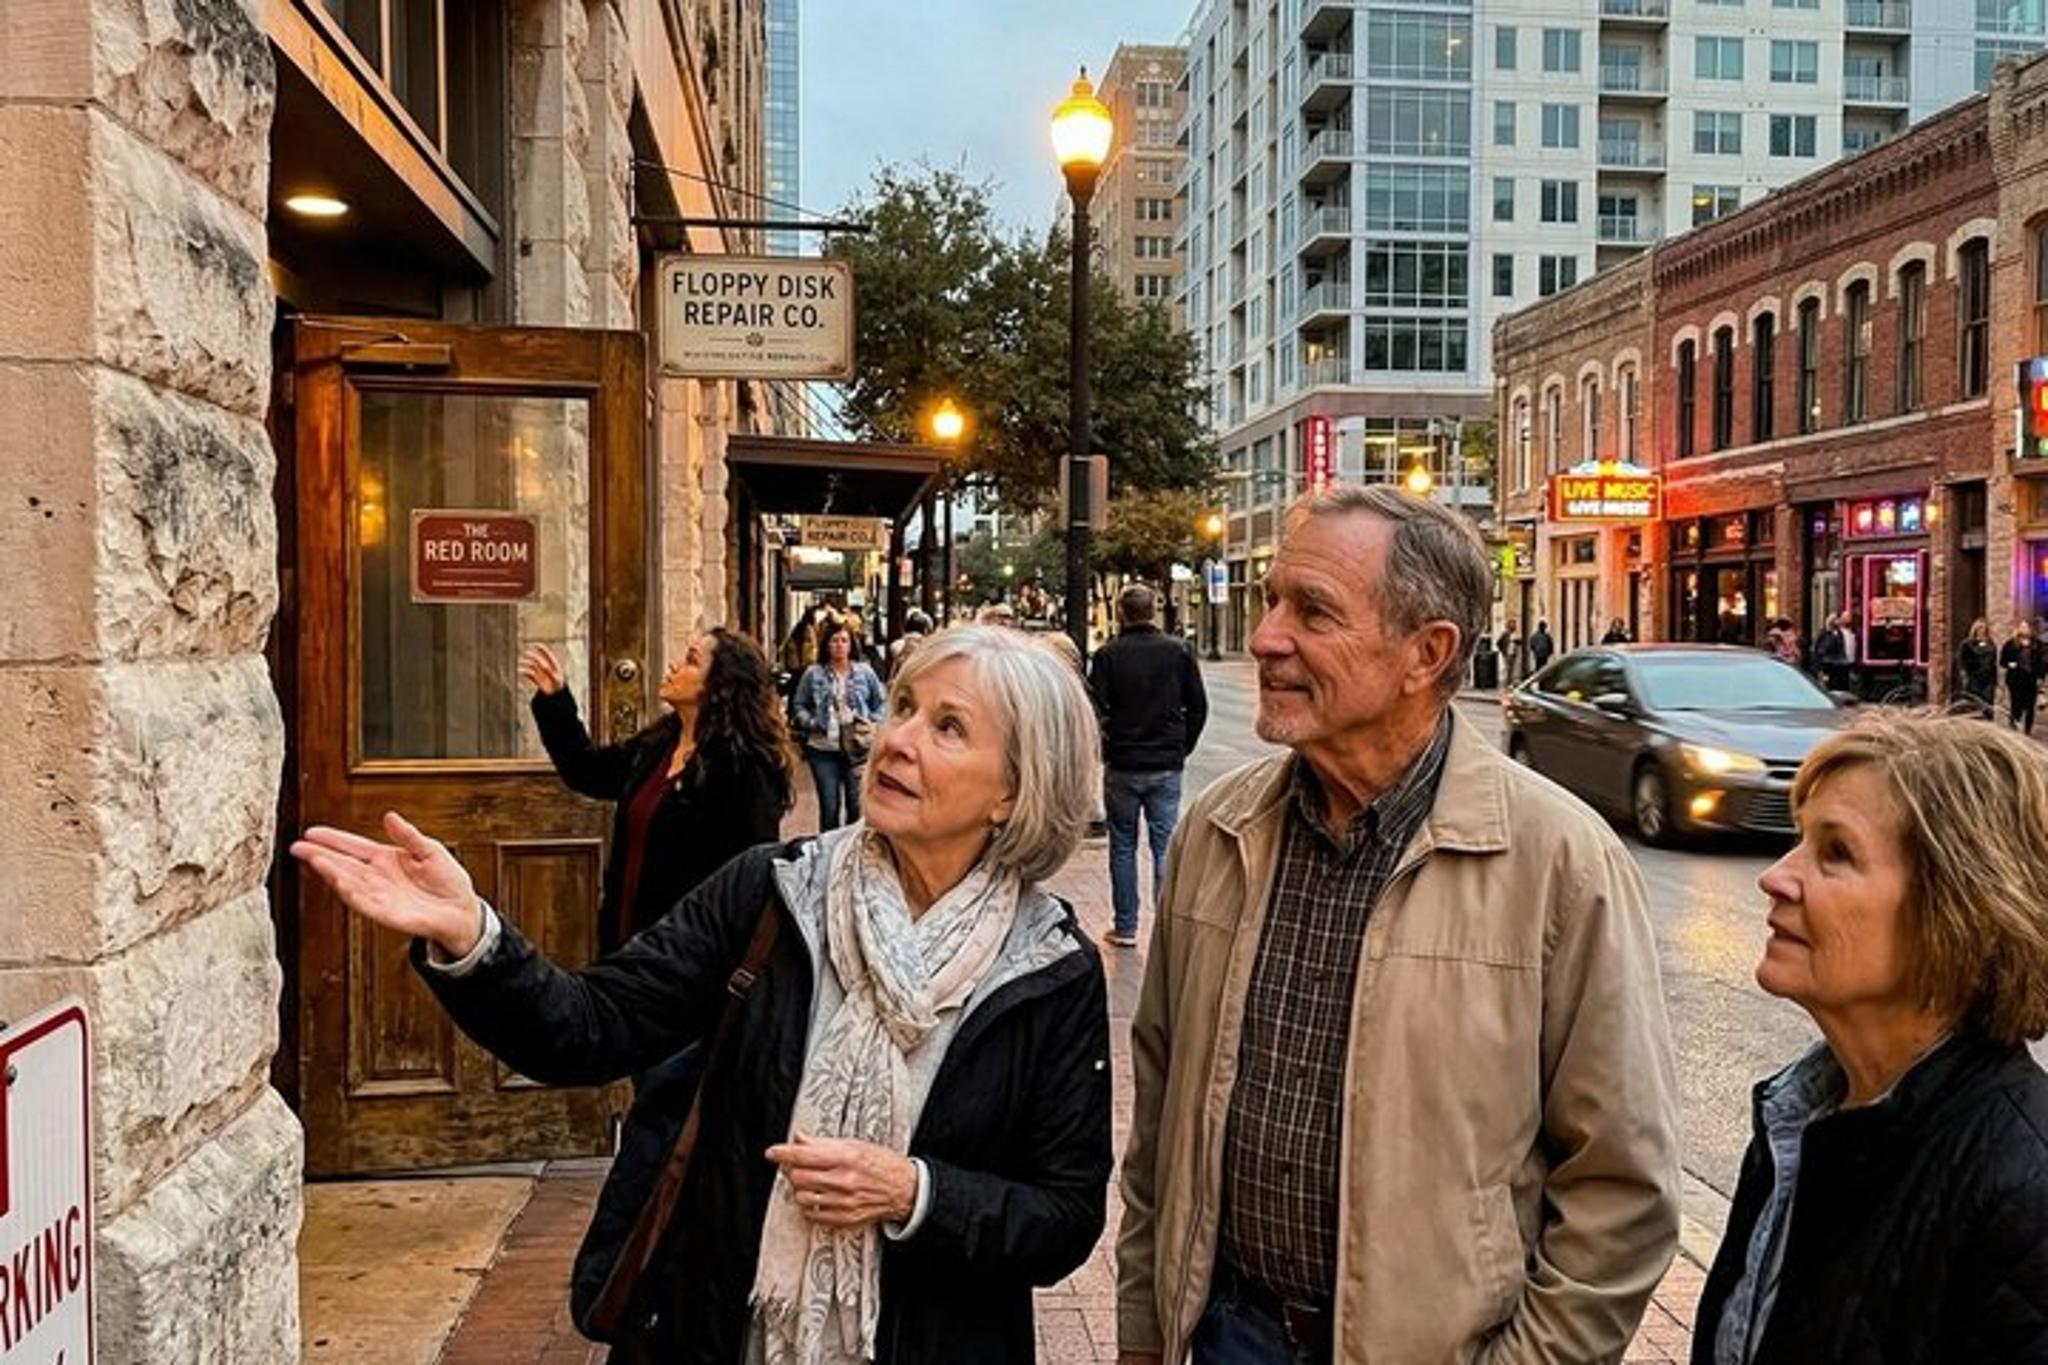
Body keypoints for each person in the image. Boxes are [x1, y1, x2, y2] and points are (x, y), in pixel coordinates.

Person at [292, 626, 1113, 1364]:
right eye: (902, 707)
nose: (896, 740)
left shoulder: (1047, 970)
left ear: (1013, 790)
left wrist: (916, 1193)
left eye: (948, 727)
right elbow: (591, 1025)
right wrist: (474, 937)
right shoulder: (772, 894)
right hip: (721, 1327)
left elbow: (1064, 1214)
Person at [1116, 486, 1680, 1364]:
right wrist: (1146, 1335)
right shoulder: (1217, 832)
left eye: (1312, 611)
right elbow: (1159, 1127)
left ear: (1427, 652)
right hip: (1230, 1334)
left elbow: (1622, 1192)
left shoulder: (1559, 862)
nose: (1267, 637)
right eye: (1271, 600)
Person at [1695, 714, 2048, 1364]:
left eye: (1837, 852)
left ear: (1960, 913)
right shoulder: (1797, 1123)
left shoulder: (2021, 1186)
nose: (1776, 876)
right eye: (1801, 840)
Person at [519, 632, 793, 954]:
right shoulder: (660, 743)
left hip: (690, 954)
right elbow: (588, 771)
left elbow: (750, 877)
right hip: (629, 940)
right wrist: (556, 700)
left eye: (691, 660)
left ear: (720, 685)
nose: (674, 665)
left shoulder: (745, 768)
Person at [1088, 584, 1209, 950]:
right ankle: (1166, 928)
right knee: (1164, 843)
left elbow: (1092, 709)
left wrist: (1107, 747)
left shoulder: (1109, 656)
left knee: (1122, 846)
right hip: (1165, 764)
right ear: (1153, 611)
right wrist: (1181, 748)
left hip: (1123, 765)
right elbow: (1198, 706)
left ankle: (1125, 926)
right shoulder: (1178, 652)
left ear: (1122, 613)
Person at [792, 619, 886, 831]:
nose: (839, 645)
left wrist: (870, 723)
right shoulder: (813, 673)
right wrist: (811, 722)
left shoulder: (865, 672)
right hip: (823, 749)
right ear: (826, 644)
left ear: (851, 644)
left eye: (844, 640)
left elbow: (881, 703)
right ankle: (829, 856)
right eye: (834, 640)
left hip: (857, 749)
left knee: (855, 806)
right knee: (829, 807)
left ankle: (850, 855)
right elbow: (799, 704)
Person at [2002, 620, 2040, 736]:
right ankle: (2014, 728)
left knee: (2030, 707)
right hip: (2016, 679)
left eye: (2026, 627)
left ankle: (2027, 731)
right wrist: (2011, 664)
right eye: (2022, 626)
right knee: (2016, 706)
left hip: (2030, 680)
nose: (2024, 629)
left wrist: (2040, 676)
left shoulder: (2036, 644)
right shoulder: (2011, 644)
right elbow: (2003, 661)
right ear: (2018, 628)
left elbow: (2042, 662)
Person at [1958, 617, 1997, 719]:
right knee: (1974, 704)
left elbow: (1993, 661)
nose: (1982, 630)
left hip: (1988, 679)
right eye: (1979, 627)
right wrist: (1964, 675)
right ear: (1975, 629)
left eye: (1984, 628)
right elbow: (1962, 661)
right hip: (1974, 678)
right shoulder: (1967, 644)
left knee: (1987, 705)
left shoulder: (1990, 643)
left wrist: (1995, 679)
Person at [1813, 611, 1857, 694]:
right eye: (1835, 620)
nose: (1837, 621)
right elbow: (1819, 650)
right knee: (1830, 686)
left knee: (1841, 686)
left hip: (1839, 665)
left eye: (1837, 619)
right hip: (1828, 664)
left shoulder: (1839, 633)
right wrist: (1819, 668)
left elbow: (1841, 648)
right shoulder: (1824, 633)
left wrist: (1844, 659)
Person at [1496, 618, 1523, 683]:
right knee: (1508, 668)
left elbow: (1518, 642)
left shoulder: (1515, 634)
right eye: (1513, 625)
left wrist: (1517, 642)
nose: (1514, 626)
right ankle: (1508, 682)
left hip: (1513, 653)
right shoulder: (1505, 634)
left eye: (1514, 625)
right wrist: (1503, 651)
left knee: (1512, 668)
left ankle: (1510, 681)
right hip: (1507, 653)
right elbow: (1498, 642)